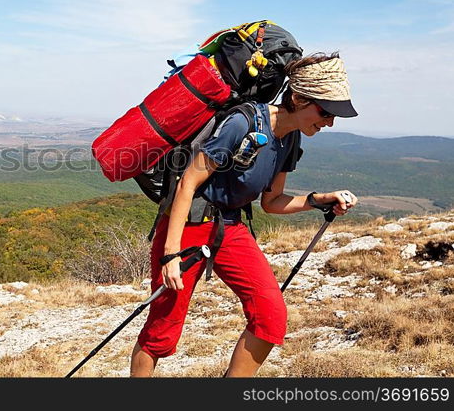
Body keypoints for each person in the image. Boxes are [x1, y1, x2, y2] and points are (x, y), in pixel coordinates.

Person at [130, 52, 359, 377]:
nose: (329, 122)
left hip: (230, 228)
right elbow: (188, 183)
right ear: (298, 97)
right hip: (189, 227)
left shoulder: (290, 139)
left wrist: (320, 200)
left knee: (270, 316)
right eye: (325, 111)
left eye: (334, 115)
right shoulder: (242, 122)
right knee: (161, 333)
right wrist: (170, 255)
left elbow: (273, 201)